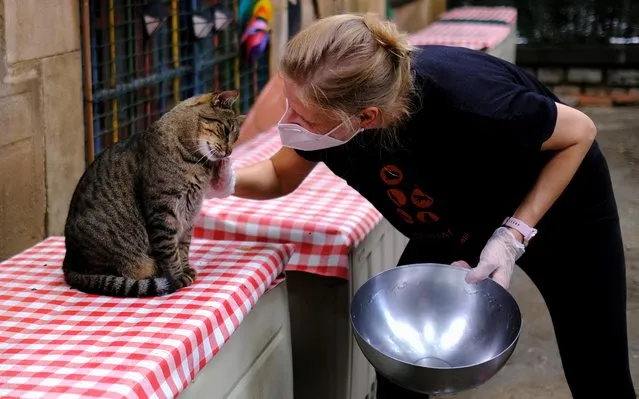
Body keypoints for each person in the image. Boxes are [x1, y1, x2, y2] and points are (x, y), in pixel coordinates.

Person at [207, 13, 637, 399]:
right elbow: (280, 175)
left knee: (598, 372)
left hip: (560, 207)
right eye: (289, 103)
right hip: (451, 223)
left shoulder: (469, 99)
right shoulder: (331, 117)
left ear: (367, 118)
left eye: (303, 116)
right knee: (399, 363)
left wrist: (513, 235)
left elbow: (581, 131)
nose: (288, 122)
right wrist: (224, 179)